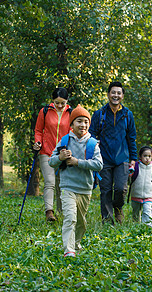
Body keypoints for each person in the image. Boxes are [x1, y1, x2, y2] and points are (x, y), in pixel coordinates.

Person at [49, 105, 103, 257]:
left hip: (85, 188)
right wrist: (60, 158)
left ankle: (76, 243)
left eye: (86, 122)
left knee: (80, 222)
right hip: (67, 186)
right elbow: (51, 161)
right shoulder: (64, 141)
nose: (83, 125)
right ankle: (69, 250)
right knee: (70, 218)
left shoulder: (92, 143)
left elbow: (99, 165)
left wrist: (77, 162)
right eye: (79, 121)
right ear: (72, 124)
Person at [89, 81, 137, 225]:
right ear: (108, 94)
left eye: (118, 93)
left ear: (122, 96)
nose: (115, 95)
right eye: (113, 92)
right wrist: (94, 142)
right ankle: (108, 221)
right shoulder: (99, 114)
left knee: (121, 188)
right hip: (103, 158)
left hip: (122, 158)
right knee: (106, 190)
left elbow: (131, 138)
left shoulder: (128, 115)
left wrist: (133, 158)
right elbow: (91, 133)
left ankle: (118, 208)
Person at [33, 87, 71, 221]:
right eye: (57, 102)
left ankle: (61, 212)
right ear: (52, 101)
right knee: (50, 182)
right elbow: (38, 130)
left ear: (67, 101)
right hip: (46, 151)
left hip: (63, 154)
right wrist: (38, 142)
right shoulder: (44, 111)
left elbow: (72, 134)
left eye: (63, 103)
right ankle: (49, 211)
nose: (60, 106)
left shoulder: (71, 113)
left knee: (62, 184)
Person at [129, 146, 152, 227]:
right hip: (135, 196)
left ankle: (147, 227)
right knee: (135, 214)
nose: (147, 158)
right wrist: (131, 169)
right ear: (140, 157)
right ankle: (136, 227)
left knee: (147, 212)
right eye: (145, 156)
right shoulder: (136, 167)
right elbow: (129, 175)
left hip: (148, 196)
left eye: (149, 156)